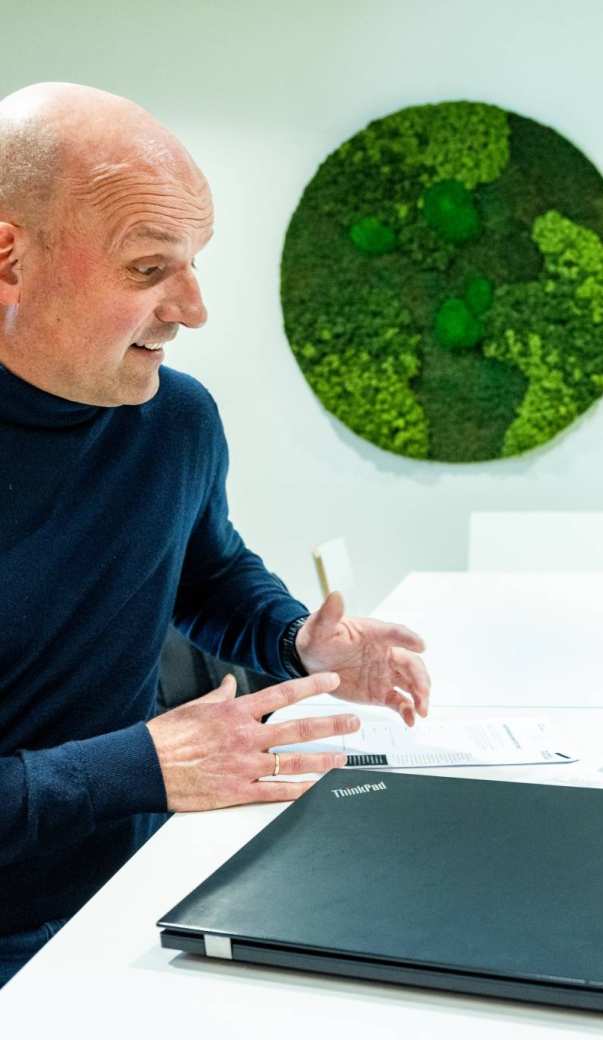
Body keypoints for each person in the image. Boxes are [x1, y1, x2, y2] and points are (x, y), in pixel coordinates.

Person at [0, 83, 430, 986]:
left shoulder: (172, 418)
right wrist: (139, 764)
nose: (192, 308)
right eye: (149, 269)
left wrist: (293, 637)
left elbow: (207, 572)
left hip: (136, 888)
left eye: (194, 263)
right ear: (9, 258)